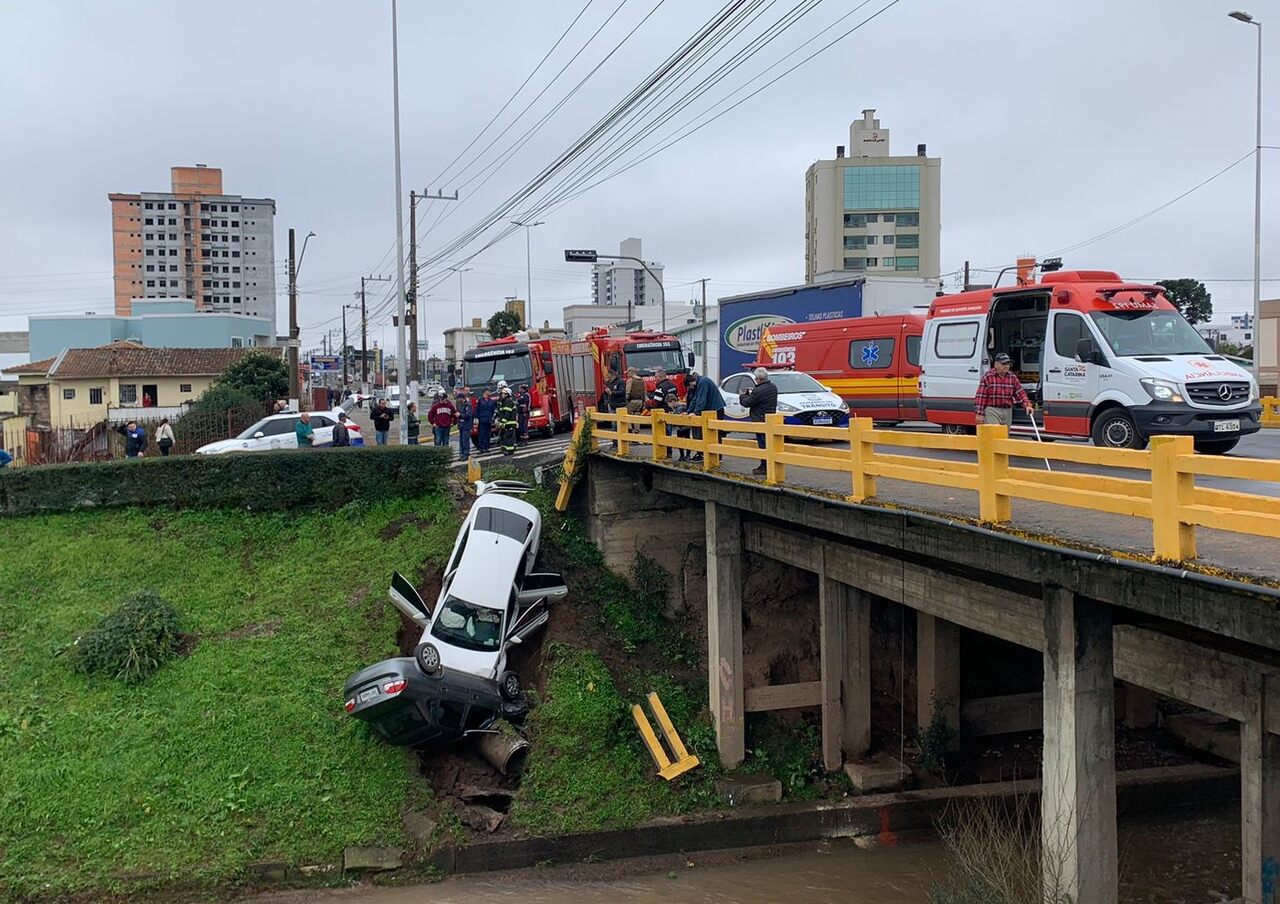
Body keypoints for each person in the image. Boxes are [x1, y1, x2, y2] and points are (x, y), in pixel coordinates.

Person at [975, 352, 1034, 427]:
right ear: (996, 365)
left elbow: (1020, 392)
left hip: (1007, 410)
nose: (1006, 366)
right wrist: (979, 413)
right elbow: (981, 396)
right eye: (1003, 364)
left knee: (1005, 436)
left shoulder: (1012, 377)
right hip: (992, 410)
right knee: (995, 434)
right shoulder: (988, 376)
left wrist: (1027, 405)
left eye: (1008, 364)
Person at [739, 367, 778, 475]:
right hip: (770, 419)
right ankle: (771, 465)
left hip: (760, 420)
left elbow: (747, 403)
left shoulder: (758, 390)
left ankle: (764, 466)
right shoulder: (773, 387)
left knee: (763, 445)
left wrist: (743, 395)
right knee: (769, 444)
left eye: (756, 379)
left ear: (759, 379)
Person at [685, 371, 725, 464]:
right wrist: (688, 412)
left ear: (691, 382)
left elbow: (701, 399)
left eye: (690, 386)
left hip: (716, 409)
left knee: (715, 434)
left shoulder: (703, 382)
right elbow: (695, 399)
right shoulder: (700, 382)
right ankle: (705, 454)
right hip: (711, 411)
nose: (691, 388)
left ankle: (717, 456)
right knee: (707, 433)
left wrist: (695, 412)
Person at [650, 367, 679, 458]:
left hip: (662, 414)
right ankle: (669, 452)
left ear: (661, 377)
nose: (655, 379)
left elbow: (655, 402)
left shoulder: (661, 388)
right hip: (671, 412)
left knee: (663, 434)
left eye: (656, 377)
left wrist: (647, 404)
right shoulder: (673, 386)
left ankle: (665, 453)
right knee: (669, 433)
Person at [497, 387, 519, 456]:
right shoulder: (504, 402)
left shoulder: (508, 401)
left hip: (509, 423)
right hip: (507, 423)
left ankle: (510, 452)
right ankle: (507, 450)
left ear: (507, 394)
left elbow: (507, 413)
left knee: (509, 437)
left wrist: (502, 422)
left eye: (503, 394)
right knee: (506, 437)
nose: (502, 395)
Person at [455, 387, 474, 460]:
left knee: (465, 441)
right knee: (461, 441)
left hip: (466, 426)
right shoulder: (460, 405)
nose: (458, 400)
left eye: (459, 398)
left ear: (462, 398)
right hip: (461, 426)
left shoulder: (467, 405)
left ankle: (466, 454)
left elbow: (468, 415)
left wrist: (460, 415)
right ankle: (461, 454)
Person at [625, 366, 646, 433]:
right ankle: (637, 430)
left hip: (632, 400)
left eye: (627, 373)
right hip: (640, 401)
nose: (627, 375)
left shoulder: (630, 380)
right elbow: (645, 391)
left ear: (631, 372)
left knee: (625, 412)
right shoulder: (642, 380)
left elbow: (628, 391)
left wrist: (626, 399)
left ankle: (629, 428)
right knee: (637, 414)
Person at [475, 389, 496, 454]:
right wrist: (476, 419)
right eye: (488, 391)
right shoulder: (480, 400)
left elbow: (493, 410)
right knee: (482, 435)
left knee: (488, 434)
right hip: (482, 420)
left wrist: (493, 418)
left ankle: (487, 447)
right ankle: (481, 448)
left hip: (489, 420)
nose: (489, 392)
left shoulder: (491, 401)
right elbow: (477, 410)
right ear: (484, 392)